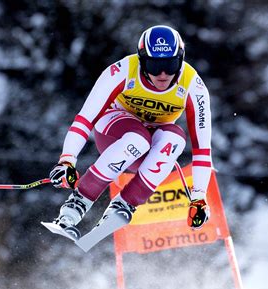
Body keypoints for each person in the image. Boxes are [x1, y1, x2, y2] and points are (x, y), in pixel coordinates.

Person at [49, 25, 211, 240]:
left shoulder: (193, 85)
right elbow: (84, 119)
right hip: (113, 132)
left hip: (149, 146)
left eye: (170, 65)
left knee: (175, 139)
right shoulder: (123, 71)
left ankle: (125, 204)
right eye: (154, 66)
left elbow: (202, 150)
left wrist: (199, 198)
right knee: (138, 138)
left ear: (180, 59)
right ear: (142, 60)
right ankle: (78, 202)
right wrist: (67, 160)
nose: (162, 74)